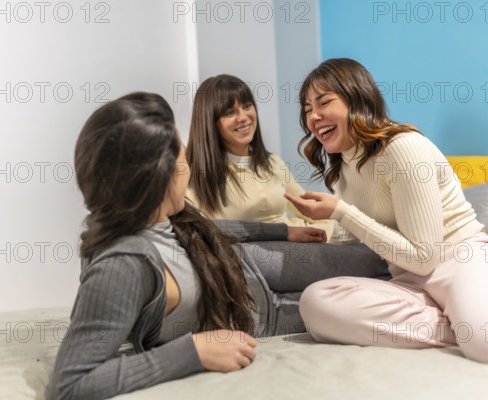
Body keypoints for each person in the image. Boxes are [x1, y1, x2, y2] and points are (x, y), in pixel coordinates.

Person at [47, 92, 389, 400]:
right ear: (158, 174)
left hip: (253, 261)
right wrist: (192, 351)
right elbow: (70, 383)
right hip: (262, 317)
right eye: (181, 154)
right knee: (383, 296)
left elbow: (208, 230)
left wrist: (284, 232)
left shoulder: (156, 216)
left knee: (381, 263)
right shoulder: (121, 266)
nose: (188, 164)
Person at [286, 58, 488, 369]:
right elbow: (361, 231)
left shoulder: (403, 147)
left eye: (324, 102)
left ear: (357, 99)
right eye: (306, 109)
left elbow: (425, 256)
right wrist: (316, 230)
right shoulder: (342, 168)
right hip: (412, 281)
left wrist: (341, 211)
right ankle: (469, 326)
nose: (313, 117)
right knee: (317, 304)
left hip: (464, 259)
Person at [185, 74, 333, 238]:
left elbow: (310, 210)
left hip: (298, 247)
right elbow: (205, 233)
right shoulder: (194, 174)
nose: (243, 117)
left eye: (247, 106)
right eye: (229, 112)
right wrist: (284, 233)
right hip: (252, 258)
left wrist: (341, 226)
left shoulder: (272, 162)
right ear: (209, 122)